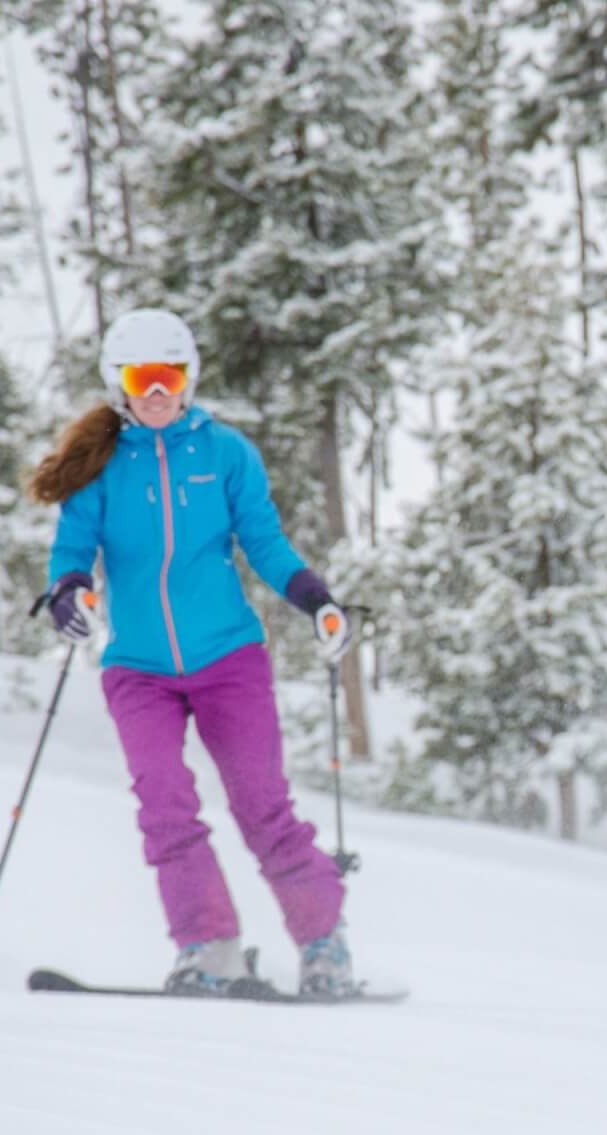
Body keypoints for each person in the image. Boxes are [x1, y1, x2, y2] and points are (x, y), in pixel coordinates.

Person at [25, 307, 361, 998]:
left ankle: (324, 943)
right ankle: (210, 946)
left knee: (262, 804)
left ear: (188, 379)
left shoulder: (225, 453)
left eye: (167, 377)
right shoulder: (100, 466)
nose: (156, 392)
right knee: (165, 805)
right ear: (119, 384)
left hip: (228, 660)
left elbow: (264, 541)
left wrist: (316, 599)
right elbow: (72, 551)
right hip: (139, 670)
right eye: (141, 378)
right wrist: (69, 592)